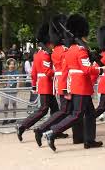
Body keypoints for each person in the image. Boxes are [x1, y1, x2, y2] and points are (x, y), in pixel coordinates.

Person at [44, 14, 105, 151]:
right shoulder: (81, 50)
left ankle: (89, 140)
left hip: (74, 86)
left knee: (89, 114)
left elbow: (65, 71)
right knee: (77, 114)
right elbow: (86, 69)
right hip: (81, 86)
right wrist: (100, 69)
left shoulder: (70, 50)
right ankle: (52, 132)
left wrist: (65, 88)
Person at [16, 22, 60, 142]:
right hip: (46, 84)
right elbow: (47, 71)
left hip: (44, 84)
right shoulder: (45, 55)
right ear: (48, 42)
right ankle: (22, 125)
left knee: (55, 110)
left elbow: (34, 72)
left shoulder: (38, 54)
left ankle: (55, 130)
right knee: (44, 109)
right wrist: (58, 73)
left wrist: (34, 84)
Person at [33, 14, 71, 147]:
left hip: (60, 83)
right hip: (62, 83)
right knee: (63, 111)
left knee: (64, 111)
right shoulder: (57, 51)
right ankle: (44, 130)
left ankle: (53, 131)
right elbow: (54, 70)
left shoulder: (53, 51)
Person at [2, 58, 19, 125]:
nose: (12, 65)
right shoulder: (6, 72)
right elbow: (3, 81)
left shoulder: (16, 72)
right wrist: (4, 84)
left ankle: (14, 117)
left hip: (13, 89)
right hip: (7, 90)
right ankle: (5, 118)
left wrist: (17, 88)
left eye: (13, 64)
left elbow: (18, 81)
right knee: (6, 104)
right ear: (8, 65)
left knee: (13, 103)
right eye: (10, 64)